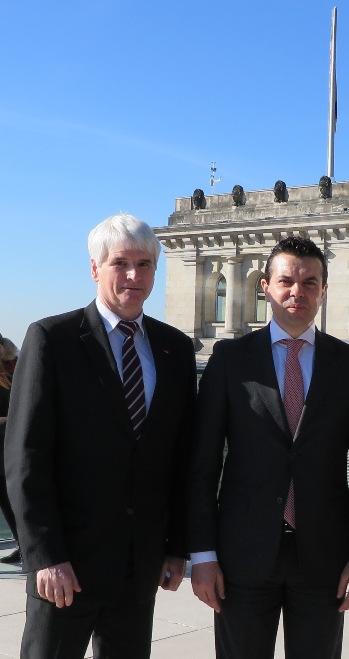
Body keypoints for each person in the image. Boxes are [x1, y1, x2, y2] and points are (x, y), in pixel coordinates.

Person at [5, 213, 196, 658]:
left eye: (145, 264)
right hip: (66, 565)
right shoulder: (52, 339)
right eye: (120, 263)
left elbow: (182, 457)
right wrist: (45, 555)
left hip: (139, 565)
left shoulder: (175, 348)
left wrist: (177, 546)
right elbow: (25, 457)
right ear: (95, 268)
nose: (134, 276)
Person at [187, 236, 349, 659]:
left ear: (324, 290)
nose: (298, 292)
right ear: (266, 287)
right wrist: (202, 554)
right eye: (286, 282)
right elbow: (202, 465)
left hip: (325, 558)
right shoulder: (230, 360)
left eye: (310, 282)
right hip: (241, 555)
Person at [0, 338, 20, 564]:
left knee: (10, 500)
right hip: (8, 445)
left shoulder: (11, 373)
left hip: (7, 446)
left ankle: (23, 545)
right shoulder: (12, 371)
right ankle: (22, 544)